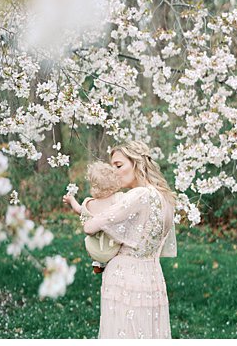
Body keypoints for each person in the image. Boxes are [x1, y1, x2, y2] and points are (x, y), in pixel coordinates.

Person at [84, 141, 177, 339]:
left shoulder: (138, 195)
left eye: (118, 165)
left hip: (124, 277)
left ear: (137, 163)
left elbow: (90, 227)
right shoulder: (165, 198)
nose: (114, 172)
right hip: (153, 275)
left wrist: (87, 204)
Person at [63, 161, 123, 274]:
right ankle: (108, 262)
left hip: (95, 250)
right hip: (113, 247)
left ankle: (98, 263)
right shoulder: (117, 199)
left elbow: (78, 210)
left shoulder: (89, 204)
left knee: (94, 241)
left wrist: (71, 200)